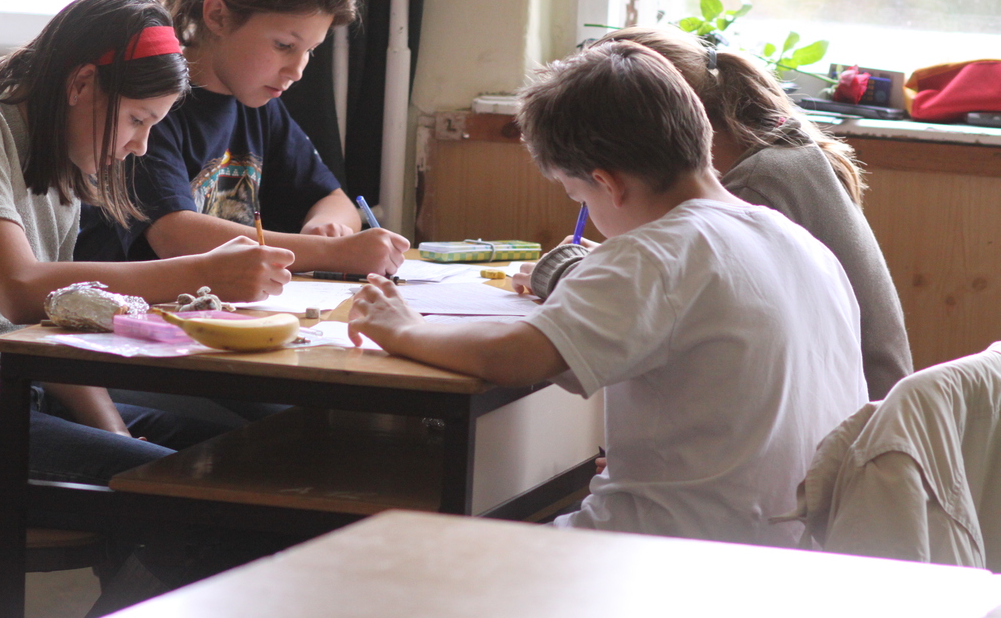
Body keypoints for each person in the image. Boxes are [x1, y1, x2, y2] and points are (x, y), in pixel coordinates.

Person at [347, 41, 868, 547]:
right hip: (790, 559)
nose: (587, 212)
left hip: (663, 560)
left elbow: (513, 356)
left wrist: (404, 328)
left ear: (609, 183)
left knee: (423, 558)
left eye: (578, 195)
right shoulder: (799, 242)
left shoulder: (655, 252)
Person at [0, 0, 294, 529]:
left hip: (15, 398)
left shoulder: (61, 171)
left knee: (246, 459)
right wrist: (204, 271)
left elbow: (54, 323)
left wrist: (114, 432)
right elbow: (21, 290)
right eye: (137, 119)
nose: (141, 145)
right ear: (81, 84)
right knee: (195, 493)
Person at [573, 26, 911, 400]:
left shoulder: (751, 192)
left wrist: (566, 279)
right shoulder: (786, 157)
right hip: (861, 411)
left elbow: (659, 324)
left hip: (848, 423)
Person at [74, 0, 409, 276]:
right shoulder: (149, 108)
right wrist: (330, 253)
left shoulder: (260, 107)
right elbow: (177, 236)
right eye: (284, 45)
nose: (297, 70)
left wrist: (328, 227)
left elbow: (333, 199)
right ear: (218, 16)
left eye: (310, 50)